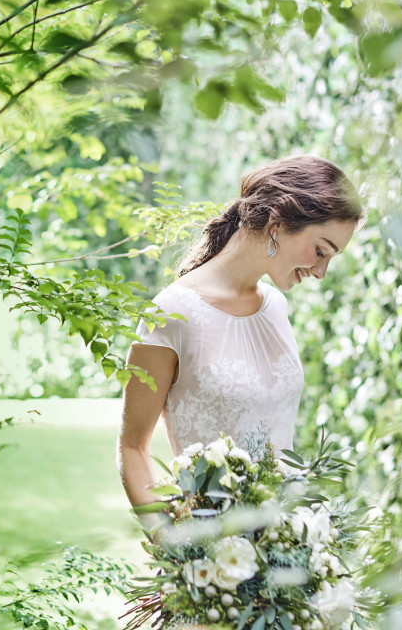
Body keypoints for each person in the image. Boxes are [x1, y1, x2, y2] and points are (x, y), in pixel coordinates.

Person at [117, 155, 364, 527]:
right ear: (277, 224)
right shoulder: (170, 313)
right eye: (320, 250)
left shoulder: (277, 307)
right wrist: (173, 545)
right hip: (211, 556)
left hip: (287, 554)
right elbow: (132, 447)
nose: (321, 272)